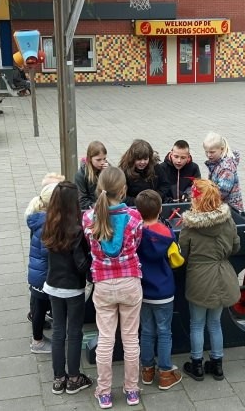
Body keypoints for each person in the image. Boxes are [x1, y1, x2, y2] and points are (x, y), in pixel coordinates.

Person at [82, 167, 144, 409]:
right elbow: (136, 244)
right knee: (130, 340)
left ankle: (104, 392)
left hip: (103, 284)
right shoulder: (135, 218)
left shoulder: (88, 218)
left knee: (105, 340)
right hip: (130, 281)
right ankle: (131, 391)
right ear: (123, 190)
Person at [180, 179, 240, 382]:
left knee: (196, 324)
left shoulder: (189, 226)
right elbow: (235, 246)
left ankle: (196, 365)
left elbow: (183, 254)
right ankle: (217, 365)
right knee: (215, 323)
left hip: (199, 277)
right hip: (223, 275)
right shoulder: (228, 220)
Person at [41, 181, 94, 396]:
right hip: (73, 288)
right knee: (74, 333)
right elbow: (81, 264)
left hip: (52, 285)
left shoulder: (49, 225)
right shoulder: (76, 230)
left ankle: (58, 379)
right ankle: (73, 378)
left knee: (58, 332)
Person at [135, 190, 183, 391]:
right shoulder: (166, 233)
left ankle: (146, 370)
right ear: (160, 209)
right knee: (164, 332)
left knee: (146, 331)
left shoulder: (135, 231)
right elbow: (176, 260)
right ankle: (165, 373)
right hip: (163, 290)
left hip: (143, 290)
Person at [24, 173, 65, 356]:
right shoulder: (47, 225)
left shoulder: (39, 219)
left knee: (38, 305)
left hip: (37, 273)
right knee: (39, 307)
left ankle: (38, 330)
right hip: (43, 275)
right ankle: (37, 341)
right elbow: (48, 252)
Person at [118, 139, 169, 206]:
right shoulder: (124, 171)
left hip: (154, 204)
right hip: (133, 207)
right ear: (132, 158)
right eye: (139, 159)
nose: (142, 162)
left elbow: (165, 185)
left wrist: (156, 197)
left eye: (145, 159)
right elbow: (121, 196)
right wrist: (139, 202)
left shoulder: (155, 167)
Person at [203, 132, 243, 213]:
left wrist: (205, 198)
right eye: (206, 152)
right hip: (222, 208)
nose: (208, 155)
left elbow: (221, 192)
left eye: (212, 152)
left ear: (221, 149)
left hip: (231, 211)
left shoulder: (226, 168)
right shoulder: (215, 163)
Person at [74, 141, 109, 210]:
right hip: (91, 211)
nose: (102, 162)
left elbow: (115, 191)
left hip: (108, 207)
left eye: (104, 159)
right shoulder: (81, 175)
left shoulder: (108, 169)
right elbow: (82, 201)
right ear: (90, 159)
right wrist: (97, 206)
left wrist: (107, 175)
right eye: (98, 160)